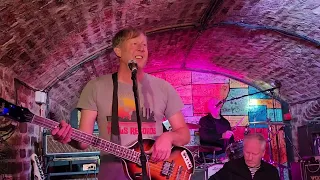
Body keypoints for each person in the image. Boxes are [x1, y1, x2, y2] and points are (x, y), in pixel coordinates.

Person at [51, 27, 191, 180]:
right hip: (112, 174)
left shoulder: (164, 88)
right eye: (135, 43)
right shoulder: (95, 87)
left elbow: (183, 133)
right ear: (118, 51)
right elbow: (84, 141)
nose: (142, 49)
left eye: (144, 45)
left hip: (155, 172)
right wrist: (68, 137)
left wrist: (168, 137)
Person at [209, 133, 280, 180]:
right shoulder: (231, 166)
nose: (250, 158)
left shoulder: (271, 172)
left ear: (263, 153)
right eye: (247, 152)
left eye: (254, 154)